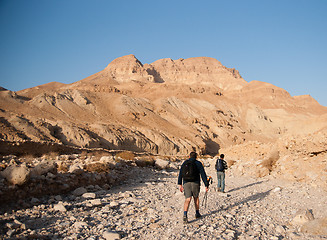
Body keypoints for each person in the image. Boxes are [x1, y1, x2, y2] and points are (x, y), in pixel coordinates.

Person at [178, 151, 209, 224]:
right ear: (196, 157)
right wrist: (206, 184)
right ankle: (197, 213)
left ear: (189, 156)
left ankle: (185, 215)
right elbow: (203, 174)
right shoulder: (198, 163)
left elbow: (180, 173)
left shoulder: (185, 163)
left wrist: (180, 184)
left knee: (188, 199)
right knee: (196, 197)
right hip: (195, 183)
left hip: (186, 183)